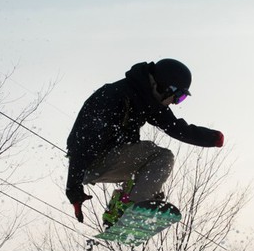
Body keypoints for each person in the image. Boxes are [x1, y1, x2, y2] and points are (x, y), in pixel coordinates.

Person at [65, 58, 225, 226]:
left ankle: (118, 210)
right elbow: (83, 143)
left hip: (98, 160)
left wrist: (211, 138)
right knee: (162, 157)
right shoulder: (114, 95)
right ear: (165, 87)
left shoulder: (146, 99)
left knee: (147, 174)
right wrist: (73, 188)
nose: (175, 102)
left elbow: (175, 127)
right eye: (179, 96)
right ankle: (132, 210)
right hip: (88, 160)